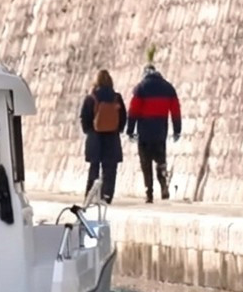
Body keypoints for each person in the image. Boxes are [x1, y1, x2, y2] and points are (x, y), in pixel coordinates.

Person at [127, 64, 183, 202]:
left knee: (146, 164)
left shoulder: (140, 88)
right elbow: (175, 110)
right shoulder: (168, 88)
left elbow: (133, 111)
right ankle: (163, 184)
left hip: (144, 133)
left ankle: (149, 192)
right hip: (160, 132)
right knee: (160, 161)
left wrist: (130, 130)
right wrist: (177, 130)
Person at [78, 70, 127, 204]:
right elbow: (123, 117)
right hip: (112, 137)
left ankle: (90, 195)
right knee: (110, 168)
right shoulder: (116, 98)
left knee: (94, 167)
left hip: (95, 137)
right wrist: (118, 129)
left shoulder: (91, 98)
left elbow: (84, 117)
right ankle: (107, 196)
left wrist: (89, 131)